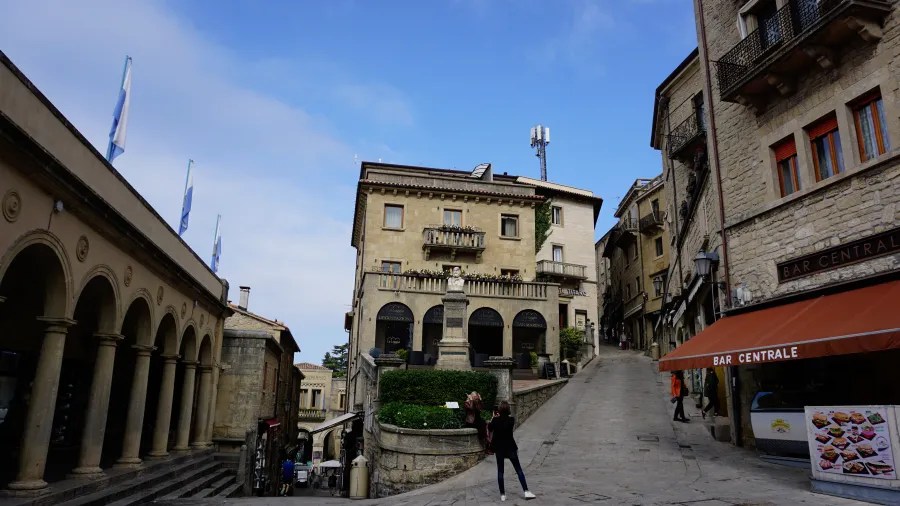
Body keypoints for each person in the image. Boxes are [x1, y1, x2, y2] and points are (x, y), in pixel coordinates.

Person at [489, 401, 535, 502]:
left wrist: (493, 417)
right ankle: (526, 491)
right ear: (508, 409)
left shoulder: (495, 421)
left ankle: (502, 495)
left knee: (500, 471)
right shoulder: (511, 420)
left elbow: (490, 428)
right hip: (510, 447)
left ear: (499, 410)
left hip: (499, 448)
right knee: (518, 469)